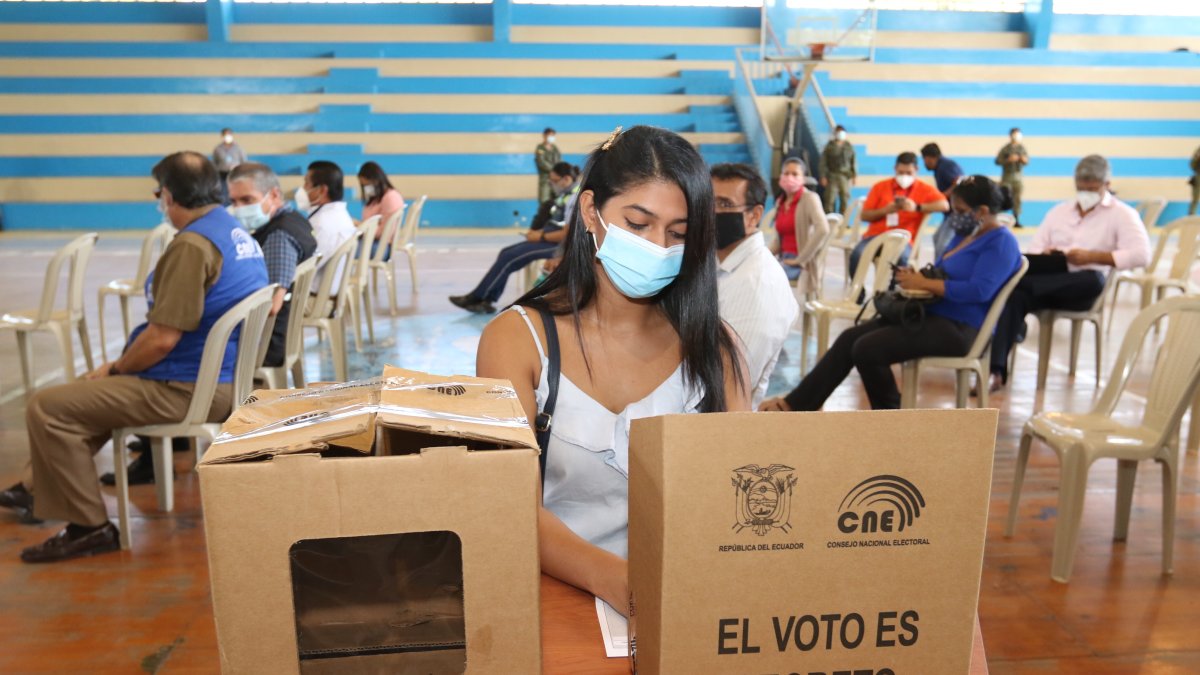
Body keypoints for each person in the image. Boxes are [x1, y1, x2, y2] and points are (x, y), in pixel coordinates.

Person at [476, 125, 748, 615]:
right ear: (590, 212)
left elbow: (739, 497)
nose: (657, 246)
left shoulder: (714, 349)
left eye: (678, 234)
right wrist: (620, 581)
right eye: (638, 224)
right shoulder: (518, 340)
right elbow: (507, 504)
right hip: (559, 593)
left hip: (688, 597)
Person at [0, 152, 268, 563]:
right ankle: (38, 486)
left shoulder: (193, 246)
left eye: (160, 194)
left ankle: (90, 527)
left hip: (187, 386)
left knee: (49, 408)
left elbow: (161, 339)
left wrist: (117, 367)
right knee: (89, 401)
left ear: (171, 195)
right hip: (224, 378)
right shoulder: (235, 234)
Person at [760, 175, 1022, 413]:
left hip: (961, 329)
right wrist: (915, 278)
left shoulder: (1001, 242)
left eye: (961, 211)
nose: (955, 216)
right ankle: (797, 405)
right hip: (932, 314)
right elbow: (944, 274)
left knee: (868, 349)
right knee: (850, 337)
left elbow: (980, 290)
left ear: (983, 212)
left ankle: (891, 416)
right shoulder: (965, 235)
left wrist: (925, 283)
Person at [987, 155, 1151, 390]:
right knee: (1015, 294)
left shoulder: (1123, 215)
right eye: (1081, 188)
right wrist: (1049, 254)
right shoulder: (1059, 212)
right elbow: (1035, 248)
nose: (1086, 193)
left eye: (1092, 189)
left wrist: (1092, 256)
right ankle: (997, 370)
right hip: (1051, 279)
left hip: (1083, 287)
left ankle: (1020, 294)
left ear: (1107, 185)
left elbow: (1141, 255)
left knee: (1092, 279)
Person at [712, 162, 798, 408]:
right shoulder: (720, 262)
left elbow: (729, 383)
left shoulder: (756, 285)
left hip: (712, 428)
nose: (712, 212)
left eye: (725, 204)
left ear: (754, 215)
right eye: (708, 203)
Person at [450, 162, 579, 314]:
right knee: (506, 252)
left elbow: (568, 233)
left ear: (566, 179)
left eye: (554, 181)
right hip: (549, 238)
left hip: (560, 244)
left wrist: (540, 236)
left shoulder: (575, 197)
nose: (551, 184)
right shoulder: (565, 195)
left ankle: (478, 297)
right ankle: (485, 299)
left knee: (510, 256)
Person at [227, 162, 318, 368]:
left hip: (268, 342)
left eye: (247, 200)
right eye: (234, 202)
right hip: (284, 334)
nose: (239, 209)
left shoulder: (278, 236)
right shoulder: (296, 219)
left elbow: (272, 305)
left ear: (274, 195)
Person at [852, 152, 948, 277]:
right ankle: (858, 293)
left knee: (902, 260)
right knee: (857, 255)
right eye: (901, 172)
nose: (904, 177)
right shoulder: (880, 187)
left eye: (909, 173)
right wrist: (885, 210)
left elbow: (945, 205)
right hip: (875, 236)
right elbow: (864, 216)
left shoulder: (924, 189)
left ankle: (893, 293)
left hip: (904, 240)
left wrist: (917, 207)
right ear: (895, 169)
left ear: (916, 170)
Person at [771, 158, 829, 295]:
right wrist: (763, 254)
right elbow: (779, 240)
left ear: (803, 178)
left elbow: (823, 229)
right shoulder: (780, 202)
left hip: (801, 263)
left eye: (795, 174)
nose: (789, 177)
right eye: (786, 173)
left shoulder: (809, 198)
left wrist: (801, 259)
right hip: (784, 258)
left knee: (765, 280)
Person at [302, 160, 356, 294]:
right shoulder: (338, 214)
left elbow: (305, 269)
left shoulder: (322, 224)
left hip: (312, 299)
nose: (303, 188)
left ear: (322, 190)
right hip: (327, 291)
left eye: (306, 183)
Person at [922, 143, 965, 260]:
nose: (924, 163)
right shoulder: (940, 167)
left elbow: (959, 183)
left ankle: (941, 270)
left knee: (943, 244)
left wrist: (942, 196)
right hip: (951, 213)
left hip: (957, 213)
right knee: (936, 238)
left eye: (924, 160)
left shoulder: (946, 166)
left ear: (929, 158)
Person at [356, 161, 406, 258]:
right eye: (363, 186)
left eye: (367, 185)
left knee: (344, 252)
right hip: (372, 241)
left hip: (381, 246)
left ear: (376, 180)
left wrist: (360, 226)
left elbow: (385, 233)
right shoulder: (376, 198)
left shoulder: (391, 197)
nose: (366, 189)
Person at [819, 124, 856, 215]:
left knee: (845, 199)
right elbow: (823, 162)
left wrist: (854, 175)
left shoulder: (849, 147)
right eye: (838, 132)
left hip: (844, 177)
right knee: (829, 199)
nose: (840, 134)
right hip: (832, 176)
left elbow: (853, 162)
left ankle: (843, 221)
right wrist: (823, 176)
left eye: (842, 132)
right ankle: (829, 220)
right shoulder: (829, 147)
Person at [996, 128, 1028, 227]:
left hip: (1018, 177)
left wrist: (1022, 159)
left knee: (1017, 199)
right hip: (1007, 177)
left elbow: (1027, 161)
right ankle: (999, 218)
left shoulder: (1022, 148)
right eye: (1015, 134)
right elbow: (998, 161)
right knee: (1003, 197)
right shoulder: (1005, 149)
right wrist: (1008, 160)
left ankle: (1016, 219)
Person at [212, 128, 247, 204]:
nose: (228, 136)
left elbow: (243, 161)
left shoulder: (238, 148)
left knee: (235, 192)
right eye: (225, 134)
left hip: (235, 174)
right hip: (222, 174)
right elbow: (215, 163)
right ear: (222, 136)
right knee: (223, 193)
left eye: (229, 134)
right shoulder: (218, 149)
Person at [535, 127, 562, 204]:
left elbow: (559, 160)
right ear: (544, 136)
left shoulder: (555, 148)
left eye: (553, 135)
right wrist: (554, 170)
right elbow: (541, 162)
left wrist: (559, 170)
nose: (551, 137)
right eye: (550, 135)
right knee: (544, 201)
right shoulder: (540, 148)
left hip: (556, 180)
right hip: (545, 179)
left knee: (557, 201)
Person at [1189, 145, 1200, 216]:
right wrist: (1197, 158)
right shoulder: (1198, 151)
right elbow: (1192, 165)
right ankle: (1191, 215)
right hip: (1198, 176)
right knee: (1195, 199)